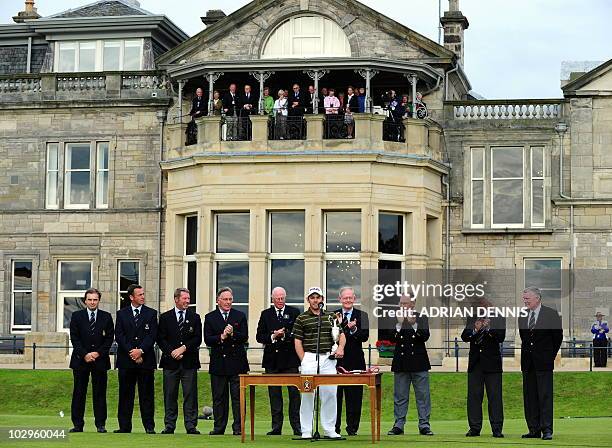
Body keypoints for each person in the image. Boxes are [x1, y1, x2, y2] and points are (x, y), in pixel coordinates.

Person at [293, 287, 346, 440]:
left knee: (330, 393)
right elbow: (297, 341)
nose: (315, 300)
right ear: (308, 300)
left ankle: (329, 429)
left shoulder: (331, 316)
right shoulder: (302, 318)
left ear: (322, 299)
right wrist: (304, 359)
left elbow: (340, 335)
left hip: (328, 359)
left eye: (318, 297)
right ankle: (306, 430)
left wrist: (340, 347)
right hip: (309, 357)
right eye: (312, 297)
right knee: (307, 393)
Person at [255, 286, 302, 436]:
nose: (280, 301)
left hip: (290, 361)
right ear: (272, 299)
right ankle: (276, 427)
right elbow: (259, 336)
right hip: (272, 361)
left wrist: (284, 335)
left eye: (283, 298)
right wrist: (273, 336)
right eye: (278, 298)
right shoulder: (266, 314)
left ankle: (297, 426)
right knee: (274, 395)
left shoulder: (294, 312)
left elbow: (298, 334)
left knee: (294, 395)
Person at [519, 286, 563, 441]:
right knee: (530, 398)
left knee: (544, 397)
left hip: (544, 363)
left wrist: (549, 356)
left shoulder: (551, 314)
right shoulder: (522, 315)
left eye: (527, 299)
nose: (525, 301)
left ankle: (547, 430)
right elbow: (524, 338)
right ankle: (533, 429)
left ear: (537, 298)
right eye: (524, 299)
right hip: (528, 364)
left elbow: (557, 338)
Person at [204, 287, 249, 435]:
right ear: (218, 300)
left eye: (230, 299)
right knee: (219, 398)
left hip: (237, 363)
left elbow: (245, 337)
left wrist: (233, 333)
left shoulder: (240, 316)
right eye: (225, 299)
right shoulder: (210, 317)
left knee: (238, 398)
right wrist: (221, 337)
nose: (228, 302)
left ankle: (238, 428)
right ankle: (219, 427)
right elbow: (208, 339)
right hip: (219, 363)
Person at [69, 288, 114, 433]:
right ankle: (77, 425)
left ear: (98, 301)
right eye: (90, 299)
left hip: (100, 361)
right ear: (85, 301)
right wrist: (85, 354)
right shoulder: (76, 316)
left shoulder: (106, 317)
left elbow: (109, 339)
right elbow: (74, 338)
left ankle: (100, 424)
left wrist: (97, 353)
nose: (92, 302)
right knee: (79, 393)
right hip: (81, 361)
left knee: (100, 394)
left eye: (95, 299)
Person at [157, 288, 202, 435]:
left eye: (189, 298)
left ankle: (191, 425)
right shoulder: (165, 317)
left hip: (189, 363)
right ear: (176, 299)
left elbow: (197, 338)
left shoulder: (195, 317)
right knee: (170, 394)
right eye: (185, 298)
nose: (187, 301)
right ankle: (169, 425)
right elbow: (161, 338)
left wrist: (182, 349)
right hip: (170, 363)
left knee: (190, 394)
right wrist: (172, 352)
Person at [387, 293, 434, 437]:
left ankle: (424, 425)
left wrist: (414, 324)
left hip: (419, 362)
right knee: (400, 396)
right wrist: (400, 324)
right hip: (401, 363)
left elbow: (425, 336)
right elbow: (390, 338)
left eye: (405, 303)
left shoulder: (421, 317)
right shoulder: (394, 318)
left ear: (413, 304)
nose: (402, 306)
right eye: (401, 303)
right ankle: (399, 424)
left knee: (423, 396)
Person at [114, 284, 158, 434]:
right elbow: (119, 336)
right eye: (139, 295)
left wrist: (141, 351)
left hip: (146, 361)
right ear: (131, 297)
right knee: (126, 395)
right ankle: (124, 427)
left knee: (147, 395)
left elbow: (152, 335)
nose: (143, 297)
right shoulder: (121, 314)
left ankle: (149, 427)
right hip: (126, 361)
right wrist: (132, 352)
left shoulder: (151, 314)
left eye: (143, 294)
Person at [461, 298, 505, 438]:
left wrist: (489, 329)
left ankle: (497, 429)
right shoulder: (472, 318)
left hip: (492, 365)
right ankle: (474, 428)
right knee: (474, 397)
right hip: (475, 364)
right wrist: (475, 329)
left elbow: (501, 337)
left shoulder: (499, 318)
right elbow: (465, 336)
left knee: (495, 397)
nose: (482, 308)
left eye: (485, 305)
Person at [334, 286, 369, 436]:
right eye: (345, 298)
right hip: (336, 362)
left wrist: (353, 329)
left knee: (354, 397)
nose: (348, 300)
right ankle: (333, 428)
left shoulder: (363, 315)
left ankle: (352, 428)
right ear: (340, 299)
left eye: (350, 298)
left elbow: (364, 336)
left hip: (355, 361)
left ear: (354, 299)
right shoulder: (333, 316)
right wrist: (342, 327)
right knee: (334, 396)